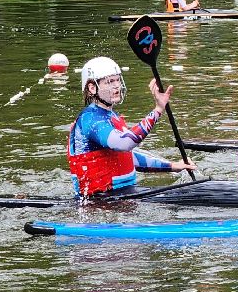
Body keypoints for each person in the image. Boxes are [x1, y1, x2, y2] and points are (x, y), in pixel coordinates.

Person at [67, 57, 195, 197]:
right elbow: (124, 144)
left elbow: (127, 157)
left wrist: (172, 166)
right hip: (99, 202)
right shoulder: (90, 120)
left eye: (117, 80)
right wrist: (158, 109)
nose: (117, 86)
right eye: (110, 81)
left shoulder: (111, 116)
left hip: (123, 195)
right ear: (92, 88)